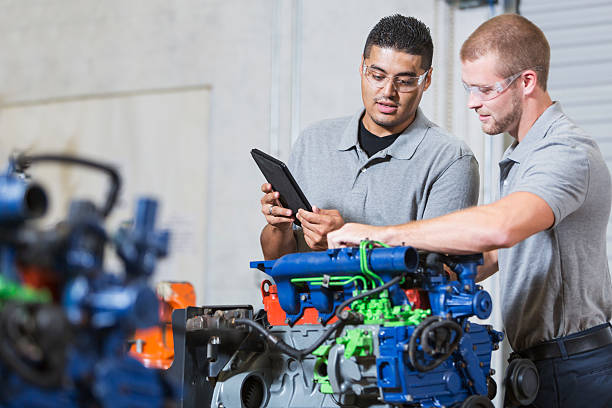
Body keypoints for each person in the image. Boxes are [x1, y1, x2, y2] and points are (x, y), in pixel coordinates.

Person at [328, 13, 612, 407]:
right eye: (468, 87)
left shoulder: (565, 152)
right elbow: (500, 252)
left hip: (572, 368)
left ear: (526, 82)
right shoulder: (523, 156)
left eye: (484, 89)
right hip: (534, 364)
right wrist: (409, 275)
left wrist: (383, 234)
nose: (472, 102)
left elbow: (502, 228)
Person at [259, 14, 479, 260]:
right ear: (362, 67)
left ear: (426, 80)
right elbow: (277, 262)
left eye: (405, 81)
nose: (388, 92)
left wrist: (346, 240)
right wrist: (279, 227)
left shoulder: (450, 159)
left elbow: (443, 272)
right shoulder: (313, 141)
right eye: (377, 76)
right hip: (306, 299)